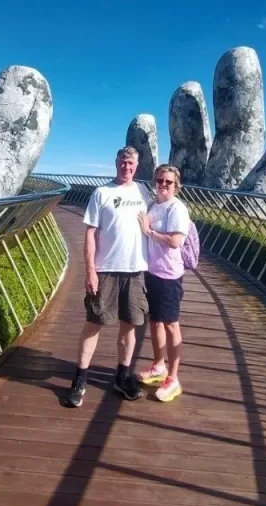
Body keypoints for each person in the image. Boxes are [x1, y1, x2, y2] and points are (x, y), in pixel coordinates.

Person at [65, 146, 153, 408]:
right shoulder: (101, 193)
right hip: (106, 270)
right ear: (116, 163)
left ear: (137, 166)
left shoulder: (143, 192)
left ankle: (122, 377)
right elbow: (90, 234)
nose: (127, 166)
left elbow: (155, 221)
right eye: (123, 162)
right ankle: (79, 380)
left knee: (130, 325)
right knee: (94, 323)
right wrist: (90, 270)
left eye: (131, 163)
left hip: (135, 270)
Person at [136, 165, 190, 402]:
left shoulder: (177, 208)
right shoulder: (154, 205)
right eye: (160, 180)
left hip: (169, 276)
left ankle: (173, 379)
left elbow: (176, 241)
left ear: (176, 186)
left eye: (169, 182)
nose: (163, 185)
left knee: (170, 325)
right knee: (156, 321)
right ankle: (159, 366)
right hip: (152, 273)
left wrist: (149, 232)